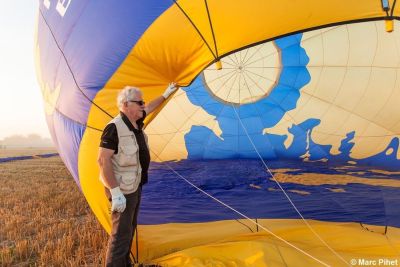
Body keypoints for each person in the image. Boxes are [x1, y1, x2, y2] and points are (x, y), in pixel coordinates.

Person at [97, 83, 178, 267]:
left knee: (129, 229)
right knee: (120, 234)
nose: (143, 105)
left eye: (143, 102)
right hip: (122, 189)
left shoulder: (136, 121)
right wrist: (115, 192)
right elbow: (103, 160)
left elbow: (150, 107)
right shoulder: (113, 127)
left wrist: (166, 94)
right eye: (139, 102)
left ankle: (124, 264)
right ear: (125, 104)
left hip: (134, 184)